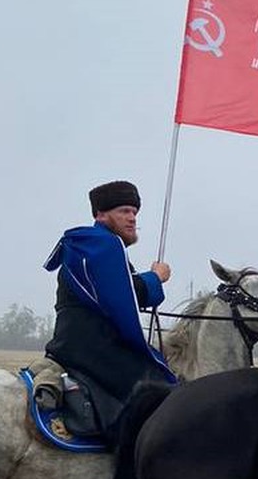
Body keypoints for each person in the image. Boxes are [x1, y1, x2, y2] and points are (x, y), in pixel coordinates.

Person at [43, 180, 176, 445]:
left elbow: (117, 292)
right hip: (92, 346)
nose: (132, 218)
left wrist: (147, 281)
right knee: (156, 389)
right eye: (124, 211)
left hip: (81, 342)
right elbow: (124, 293)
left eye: (135, 212)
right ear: (100, 214)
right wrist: (156, 277)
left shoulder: (95, 246)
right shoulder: (102, 245)